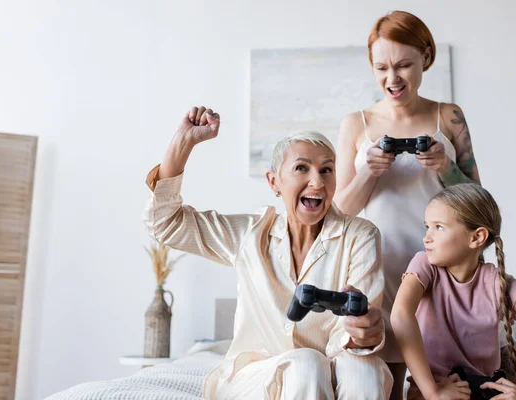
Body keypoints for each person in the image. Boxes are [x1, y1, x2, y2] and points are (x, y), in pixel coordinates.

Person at [144, 105, 393, 399]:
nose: (317, 181)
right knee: (307, 364)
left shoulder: (360, 236)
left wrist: (365, 332)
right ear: (274, 182)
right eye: (302, 168)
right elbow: (165, 224)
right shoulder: (250, 235)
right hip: (258, 377)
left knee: (362, 369)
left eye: (327, 170)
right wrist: (182, 144)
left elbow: (355, 334)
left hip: (329, 367)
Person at [334, 10, 492, 397]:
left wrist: (446, 167)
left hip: (442, 270)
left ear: (426, 56)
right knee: (384, 385)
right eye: (381, 68)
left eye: (404, 65)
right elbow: (339, 212)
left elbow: (480, 204)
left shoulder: (449, 117)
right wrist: (368, 172)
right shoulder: (356, 123)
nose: (392, 79)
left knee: (437, 387)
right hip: (377, 266)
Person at [391, 183, 516, 400]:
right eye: (427, 227)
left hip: (483, 389)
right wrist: (433, 392)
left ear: (476, 237)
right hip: (435, 391)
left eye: (439, 227)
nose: (427, 237)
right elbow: (400, 315)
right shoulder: (424, 265)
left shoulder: (498, 283)